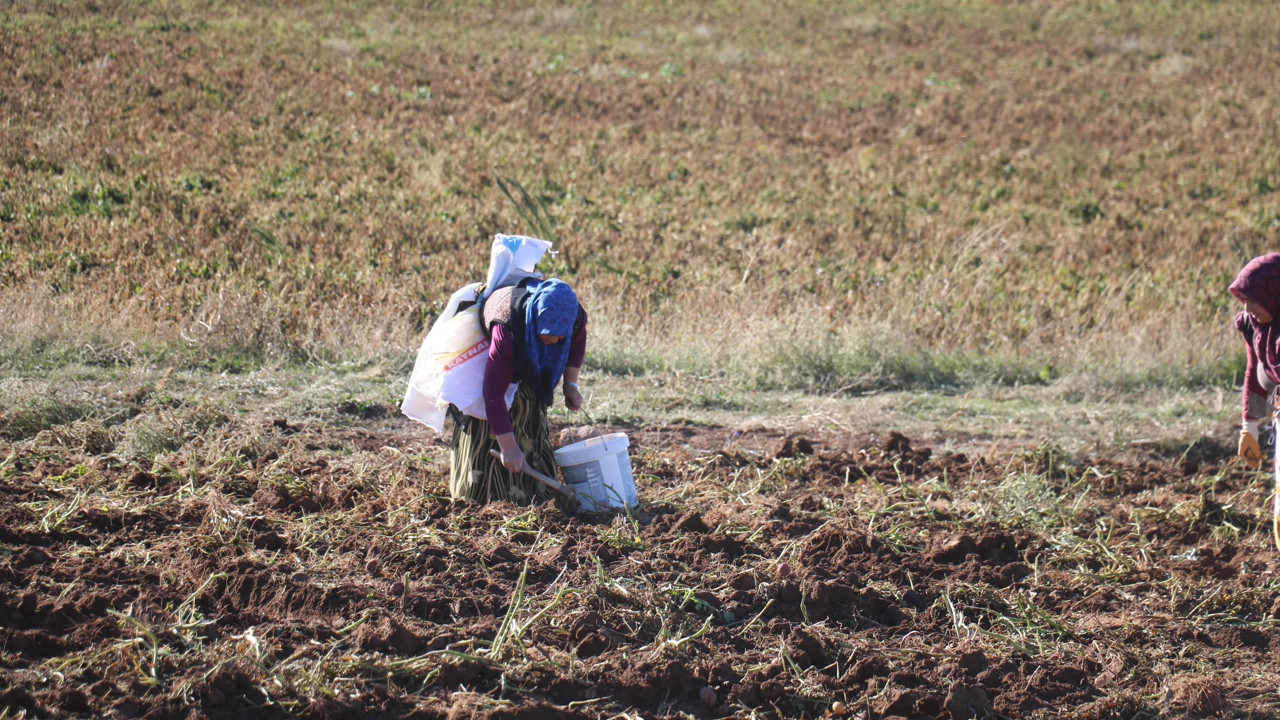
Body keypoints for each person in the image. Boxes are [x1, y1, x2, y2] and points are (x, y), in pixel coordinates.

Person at [448, 277, 587, 504]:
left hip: (527, 346)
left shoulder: (574, 316)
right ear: (536, 320)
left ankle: (536, 492)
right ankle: (485, 497)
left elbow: (578, 339)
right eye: (549, 332)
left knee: (529, 409)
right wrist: (509, 447)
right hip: (490, 349)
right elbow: (492, 391)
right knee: (484, 421)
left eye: (561, 335)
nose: (554, 340)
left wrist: (570, 384)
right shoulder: (506, 330)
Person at [1228, 253, 1280, 549]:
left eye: (1254, 299)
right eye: (1244, 299)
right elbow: (1254, 370)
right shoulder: (1253, 324)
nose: (1248, 308)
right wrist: (1250, 425)